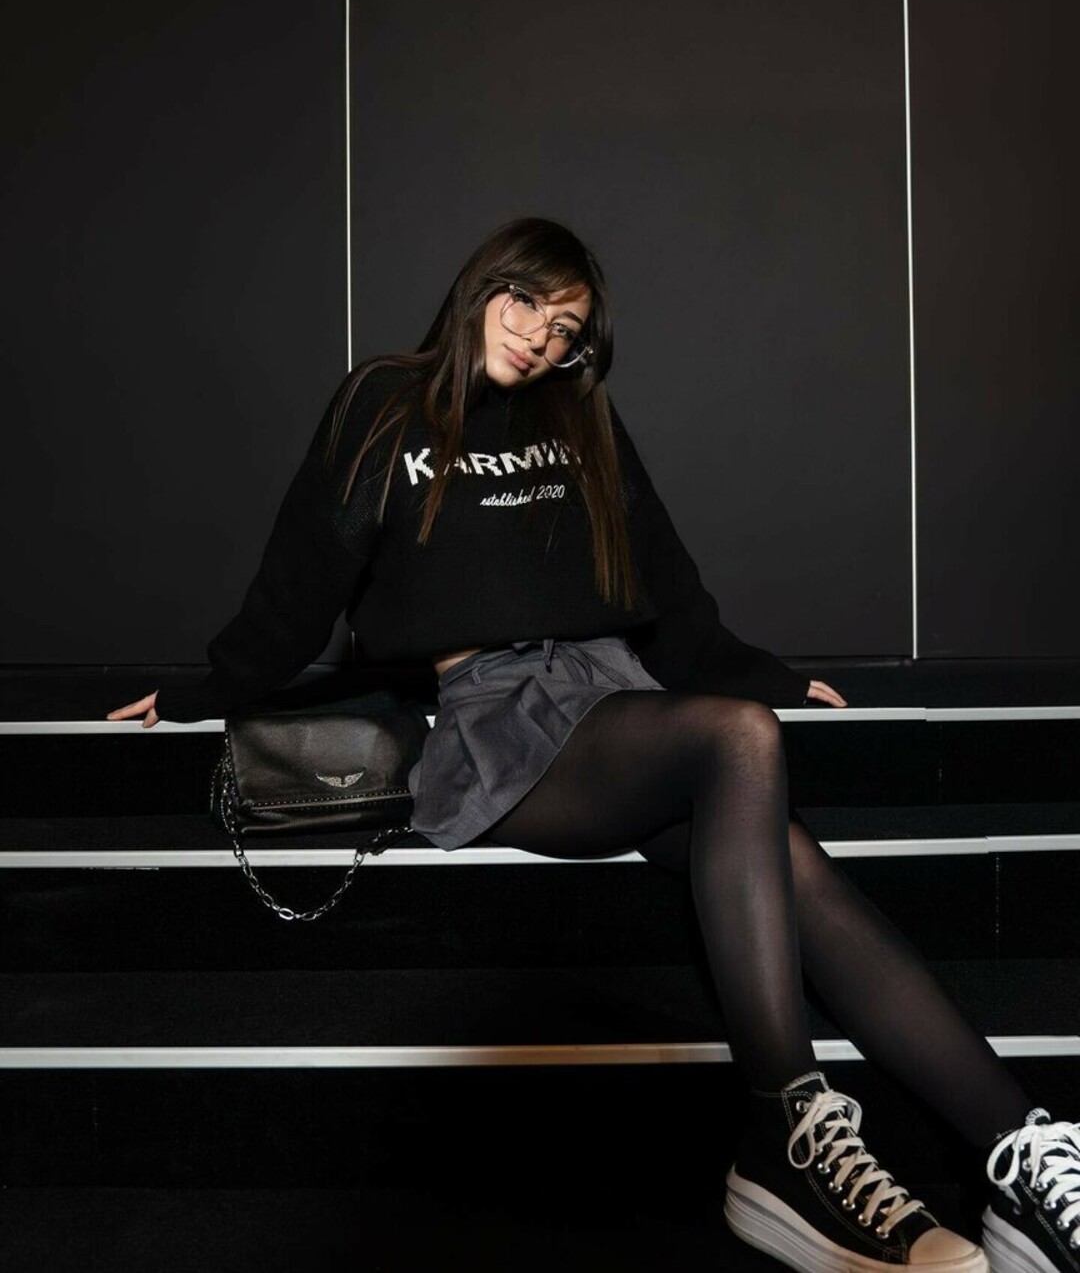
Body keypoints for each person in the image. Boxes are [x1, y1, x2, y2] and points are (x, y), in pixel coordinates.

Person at [107, 217, 1080, 1273]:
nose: (537, 335)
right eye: (525, 301)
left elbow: (663, 580)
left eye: (564, 328)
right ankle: (787, 1135)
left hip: (616, 698)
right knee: (738, 742)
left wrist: (755, 670)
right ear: (482, 286)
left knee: (791, 861)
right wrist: (207, 689)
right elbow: (300, 583)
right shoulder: (383, 402)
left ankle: (1023, 1155)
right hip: (497, 717)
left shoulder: (580, 419)